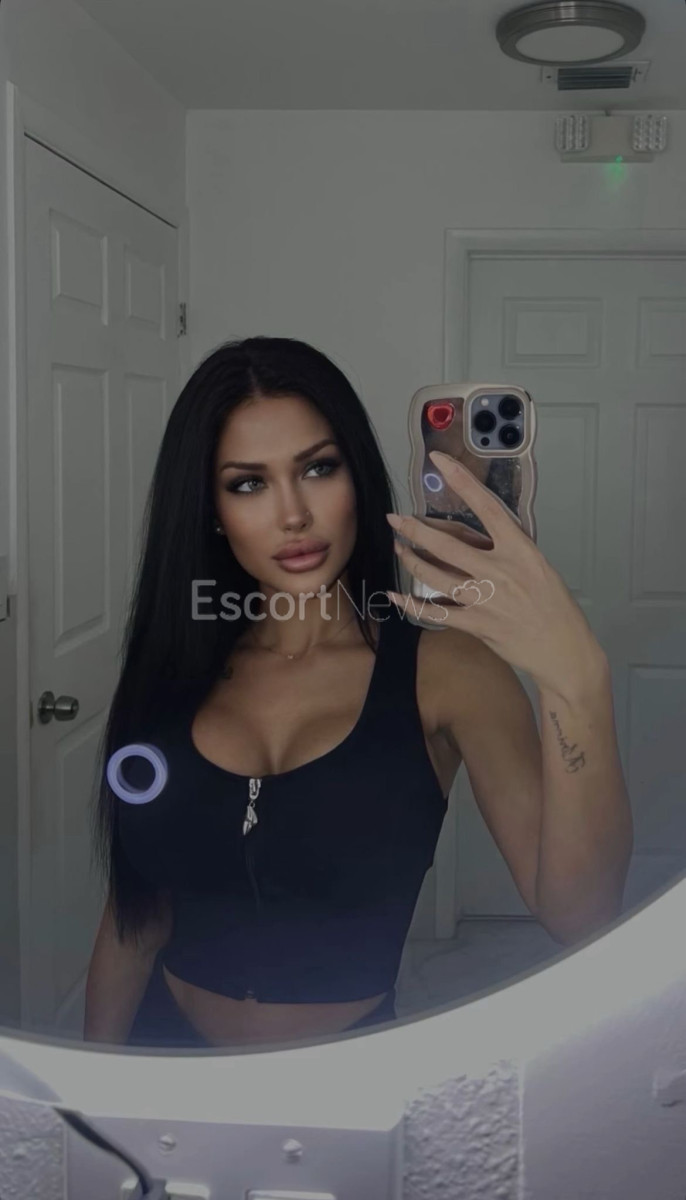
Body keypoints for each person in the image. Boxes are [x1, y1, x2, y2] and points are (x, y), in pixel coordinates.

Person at [83, 336, 632, 1048]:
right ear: (212, 508)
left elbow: (581, 915)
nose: (293, 515)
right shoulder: (175, 667)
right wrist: (91, 1090)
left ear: (359, 476)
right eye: (248, 483)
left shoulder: (449, 673)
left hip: (349, 1078)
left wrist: (576, 676)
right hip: (163, 1061)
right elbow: (134, 921)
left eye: (318, 468)